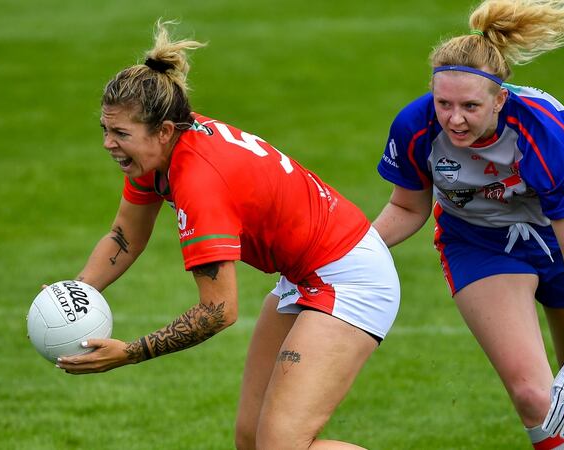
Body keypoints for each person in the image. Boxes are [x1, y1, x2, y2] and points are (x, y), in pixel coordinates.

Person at [54, 20, 400, 450]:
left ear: (163, 131)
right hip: (307, 271)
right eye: (105, 130)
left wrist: (130, 352)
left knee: (281, 446)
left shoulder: (199, 180)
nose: (109, 144)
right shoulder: (156, 155)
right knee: (252, 439)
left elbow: (218, 310)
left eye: (121, 133)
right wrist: (72, 297)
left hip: (350, 277)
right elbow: (125, 235)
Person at [372, 1, 564, 449]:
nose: (454, 119)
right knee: (534, 396)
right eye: (443, 103)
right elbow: (409, 208)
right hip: (477, 242)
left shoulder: (543, 129)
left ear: (500, 98)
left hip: (558, 236)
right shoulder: (415, 125)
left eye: (470, 105)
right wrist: (344, 252)